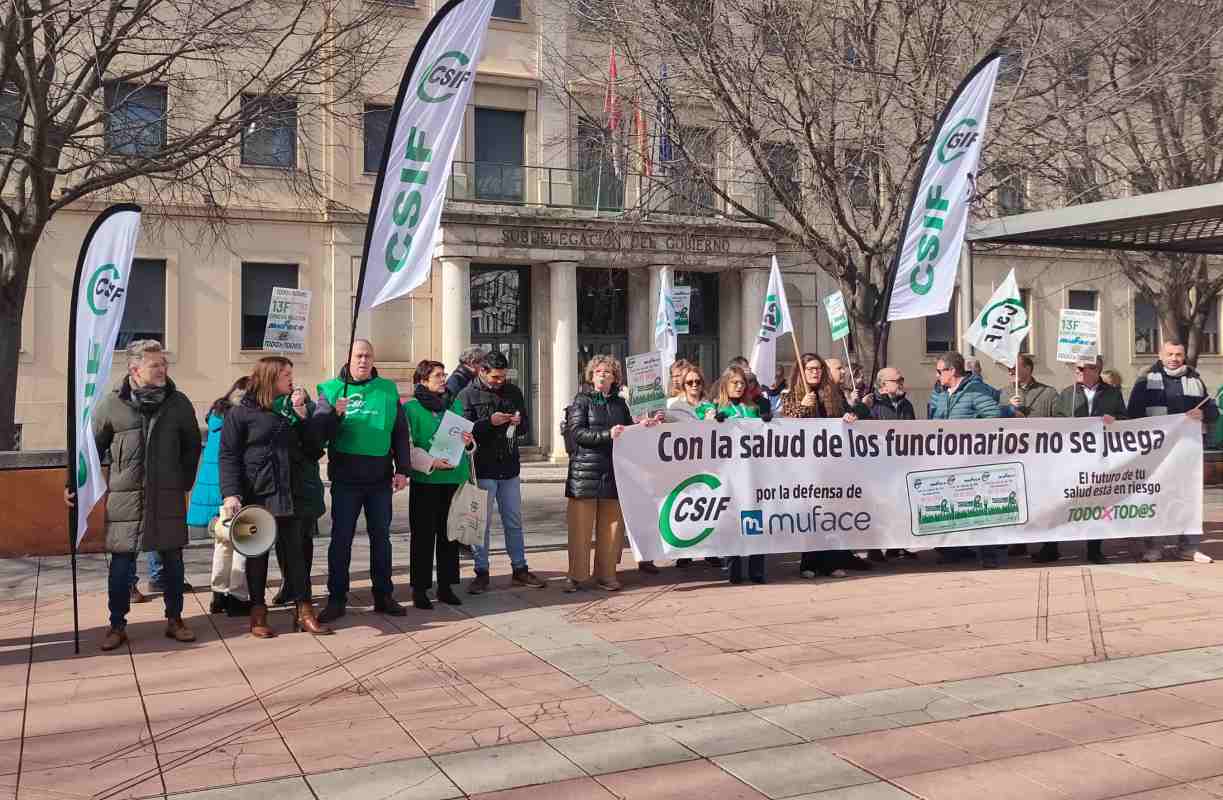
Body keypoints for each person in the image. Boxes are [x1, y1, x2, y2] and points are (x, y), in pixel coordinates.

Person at [65, 340, 201, 651]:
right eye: (156, 365)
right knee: (122, 566)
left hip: (167, 497)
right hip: (125, 500)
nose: (162, 369)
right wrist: (71, 484)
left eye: (164, 364)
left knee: (173, 561)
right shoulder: (111, 405)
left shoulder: (178, 403)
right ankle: (116, 625)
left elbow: (192, 445)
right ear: (135, 369)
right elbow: (88, 450)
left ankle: (175, 619)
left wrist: (184, 481)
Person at [219, 357, 332, 637]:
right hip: (256, 492)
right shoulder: (241, 413)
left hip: (289, 492)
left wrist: (304, 417)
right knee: (257, 554)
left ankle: (304, 610)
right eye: (285, 374)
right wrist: (231, 493)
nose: (291, 379)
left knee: (295, 552)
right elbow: (229, 455)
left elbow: (312, 450)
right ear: (270, 378)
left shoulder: (292, 410)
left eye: (291, 374)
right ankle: (258, 612)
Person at [314, 339, 413, 622]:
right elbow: (318, 434)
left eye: (368, 356)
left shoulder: (387, 389)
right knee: (341, 539)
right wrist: (335, 414)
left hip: (379, 478)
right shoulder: (331, 389)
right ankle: (336, 598)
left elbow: (399, 432)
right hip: (346, 479)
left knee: (381, 539)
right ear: (348, 358)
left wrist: (402, 469)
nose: (363, 361)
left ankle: (383, 595)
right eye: (358, 356)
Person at [564, 355, 655, 592]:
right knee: (580, 529)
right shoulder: (581, 401)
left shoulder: (620, 404)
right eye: (598, 372)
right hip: (585, 472)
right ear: (591, 377)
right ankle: (576, 576)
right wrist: (607, 435)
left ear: (615, 378)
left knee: (612, 529)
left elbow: (628, 432)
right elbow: (577, 433)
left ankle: (606, 574)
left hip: (614, 472)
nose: (602, 375)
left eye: (607, 372)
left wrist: (642, 426)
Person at [459, 351, 546, 594]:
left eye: (503, 377)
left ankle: (520, 568)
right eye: (496, 377)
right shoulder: (466, 395)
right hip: (483, 468)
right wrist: (490, 423)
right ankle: (481, 571)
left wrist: (518, 423)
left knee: (514, 521)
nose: (500, 381)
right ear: (482, 371)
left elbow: (526, 426)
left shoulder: (513, 392)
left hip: (509, 466)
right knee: (481, 524)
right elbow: (463, 431)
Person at [1128, 340, 1219, 563]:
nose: (1174, 358)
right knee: (1155, 497)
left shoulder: (1195, 379)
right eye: (1169, 354)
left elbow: (1213, 411)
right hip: (1156, 452)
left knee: (1189, 498)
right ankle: (1154, 547)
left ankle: (1189, 547)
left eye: (1178, 354)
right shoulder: (1145, 380)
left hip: (1187, 451)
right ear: (1160, 355)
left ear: (1184, 356)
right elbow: (1132, 414)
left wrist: (1204, 414)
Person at [779, 354, 862, 578]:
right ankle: (809, 562)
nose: (815, 372)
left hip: (830, 464)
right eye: (810, 369)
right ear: (801, 372)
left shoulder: (832, 394)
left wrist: (848, 417)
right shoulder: (789, 395)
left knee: (831, 513)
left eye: (818, 368)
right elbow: (785, 424)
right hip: (804, 465)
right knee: (811, 513)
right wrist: (803, 407)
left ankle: (832, 562)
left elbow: (844, 415)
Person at [1040, 355, 1127, 565]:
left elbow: (1125, 419)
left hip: (1100, 456)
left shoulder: (1113, 394)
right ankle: (1051, 548)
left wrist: (1115, 420)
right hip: (1071, 456)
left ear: (1095, 370)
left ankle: (1094, 549)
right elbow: (1058, 420)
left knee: (1096, 502)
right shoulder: (1068, 393)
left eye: (1082, 368)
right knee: (1062, 501)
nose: (1077, 371)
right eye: (1076, 368)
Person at [405, 359, 477, 609]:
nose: (443, 379)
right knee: (423, 537)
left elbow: (467, 442)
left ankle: (446, 586)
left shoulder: (454, 404)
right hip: (427, 480)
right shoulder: (411, 408)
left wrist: (468, 441)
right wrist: (432, 462)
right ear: (423, 380)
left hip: (454, 479)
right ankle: (420, 589)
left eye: (444, 374)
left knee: (450, 536)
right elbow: (408, 446)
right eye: (437, 375)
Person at [928, 351, 1004, 567]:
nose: (937, 375)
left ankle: (989, 556)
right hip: (947, 461)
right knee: (949, 505)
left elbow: (993, 416)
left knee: (979, 507)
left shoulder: (974, 390)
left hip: (971, 460)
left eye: (940, 371)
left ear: (952, 370)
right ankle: (953, 551)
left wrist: (971, 437)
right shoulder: (942, 393)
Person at [188, 376, 253, 616]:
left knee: (222, 542)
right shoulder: (240, 418)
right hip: (234, 488)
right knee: (242, 542)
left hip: (216, 487)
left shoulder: (217, 415)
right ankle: (236, 596)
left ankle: (218, 593)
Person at [700, 365, 770, 583]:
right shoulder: (716, 407)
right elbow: (701, 415)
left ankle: (757, 570)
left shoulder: (753, 407)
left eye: (742, 383)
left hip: (754, 472)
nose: (739, 387)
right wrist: (712, 418)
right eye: (734, 383)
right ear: (725, 385)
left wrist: (767, 416)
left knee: (756, 520)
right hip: (729, 474)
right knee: (733, 520)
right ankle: (735, 569)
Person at [272, 387, 325, 607]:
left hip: (306, 485)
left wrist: (301, 413)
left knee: (304, 539)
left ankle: (302, 588)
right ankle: (288, 583)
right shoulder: (273, 410)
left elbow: (316, 446)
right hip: (281, 485)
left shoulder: (309, 410)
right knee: (283, 540)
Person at [867, 366, 917, 561]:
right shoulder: (872, 404)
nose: (901, 383)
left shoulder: (906, 405)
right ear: (883, 385)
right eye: (897, 380)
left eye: (901, 379)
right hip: (879, 466)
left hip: (902, 464)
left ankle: (897, 546)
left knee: (900, 505)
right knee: (879, 507)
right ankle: (875, 548)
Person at [1003, 355, 1058, 419]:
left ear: (1027, 369)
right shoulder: (1003, 393)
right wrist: (1008, 408)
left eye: (1014, 369)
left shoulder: (1049, 393)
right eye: (1008, 369)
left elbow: (1060, 420)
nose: (1010, 373)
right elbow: (995, 418)